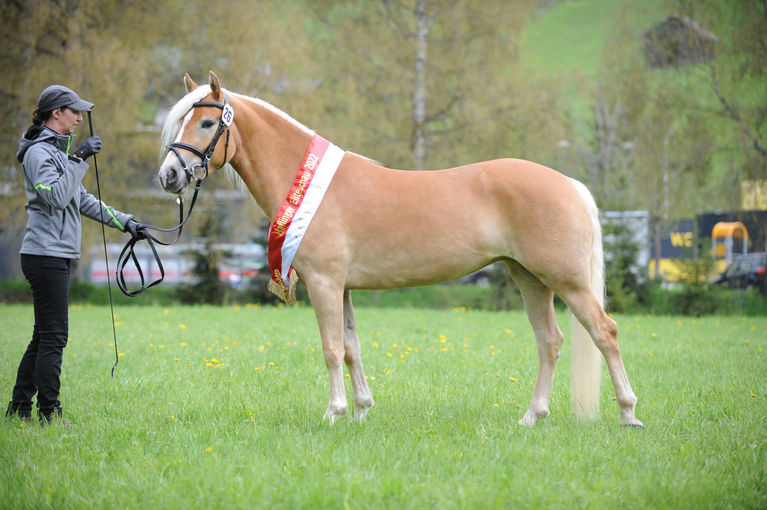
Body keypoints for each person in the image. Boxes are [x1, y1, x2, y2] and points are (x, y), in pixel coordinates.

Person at [5, 85, 146, 426]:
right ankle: (49, 414)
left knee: (44, 335)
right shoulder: (39, 155)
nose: (81, 118)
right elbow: (55, 197)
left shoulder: (57, 154)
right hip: (44, 255)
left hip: (54, 254)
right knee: (55, 336)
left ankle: (19, 408)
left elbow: (80, 200)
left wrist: (126, 223)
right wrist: (79, 158)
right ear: (56, 113)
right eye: (75, 111)